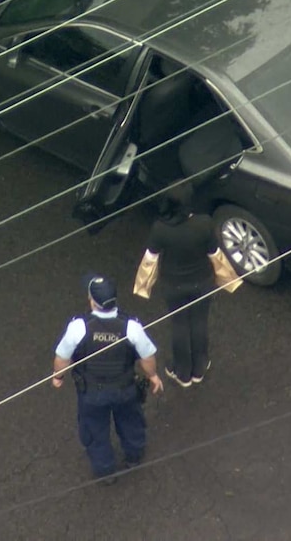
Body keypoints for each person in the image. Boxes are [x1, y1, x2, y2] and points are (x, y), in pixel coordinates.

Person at [52, 274, 163, 484]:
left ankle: (105, 472)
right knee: (131, 422)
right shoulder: (131, 326)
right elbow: (147, 356)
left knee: (94, 430)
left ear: (93, 301)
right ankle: (134, 456)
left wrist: (58, 377)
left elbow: (62, 357)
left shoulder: (79, 327)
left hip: (92, 393)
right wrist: (153, 376)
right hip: (125, 389)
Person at [136, 185, 228, 388]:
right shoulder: (204, 223)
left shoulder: (160, 228)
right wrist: (227, 278)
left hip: (173, 285)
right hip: (202, 281)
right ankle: (200, 367)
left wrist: (143, 285)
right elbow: (215, 253)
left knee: (179, 324)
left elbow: (150, 259)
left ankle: (182, 372)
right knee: (199, 322)